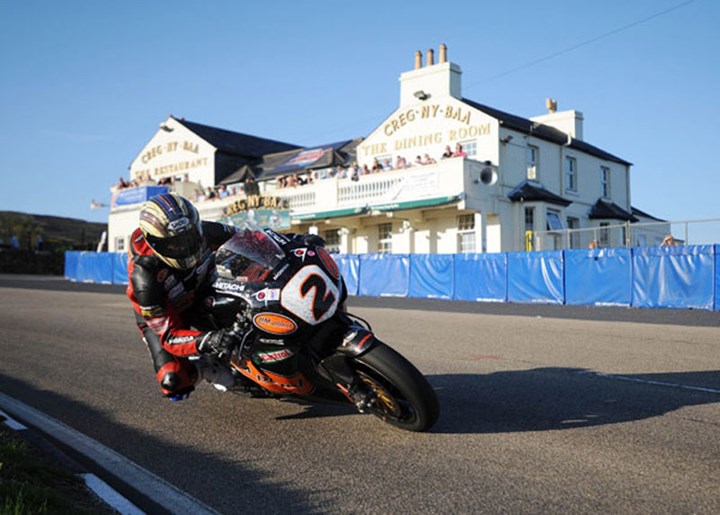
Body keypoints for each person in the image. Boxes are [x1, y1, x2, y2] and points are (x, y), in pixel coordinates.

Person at [127, 192, 240, 401]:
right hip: (167, 313)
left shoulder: (206, 230)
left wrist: (294, 242)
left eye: (189, 237)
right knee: (173, 381)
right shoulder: (145, 277)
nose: (185, 247)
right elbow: (169, 336)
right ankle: (207, 368)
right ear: (155, 243)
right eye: (174, 244)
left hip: (202, 289)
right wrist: (208, 340)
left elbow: (253, 239)